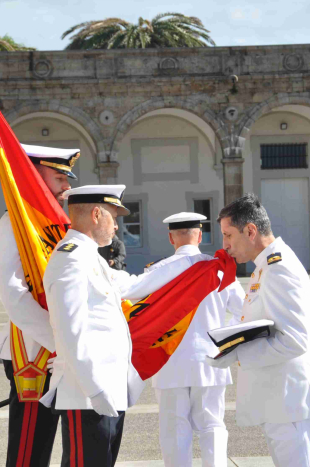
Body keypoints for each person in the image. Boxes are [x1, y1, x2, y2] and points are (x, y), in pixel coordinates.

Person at [42, 185, 219, 466]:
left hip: (107, 391)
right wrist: (95, 390)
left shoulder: (90, 257)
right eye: (114, 217)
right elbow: (70, 331)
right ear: (97, 214)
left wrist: (195, 264)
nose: (116, 226)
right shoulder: (71, 259)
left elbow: (136, 285)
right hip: (87, 393)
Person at [209, 193, 310, 467]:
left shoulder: (279, 269)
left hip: (293, 408)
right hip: (282, 405)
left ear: (250, 231)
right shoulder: (263, 268)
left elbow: (296, 340)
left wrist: (239, 355)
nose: (225, 245)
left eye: (229, 235)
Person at [0, 144, 80, 467]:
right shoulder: (13, 225)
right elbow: (15, 296)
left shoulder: (51, 224)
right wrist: (62, 344)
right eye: (59, 178)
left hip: (63, 350)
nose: (67, 187)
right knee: (31, 450)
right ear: (34, 178)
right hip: (35, 351)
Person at [150, 212, 245, 467]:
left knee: (174, 430)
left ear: (171, 238)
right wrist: (223, 341)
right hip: (211, 359)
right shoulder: (220, 270)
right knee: (212, 425)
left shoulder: (156, 271)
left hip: (168, 361)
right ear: (200, 235)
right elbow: (244, 311)